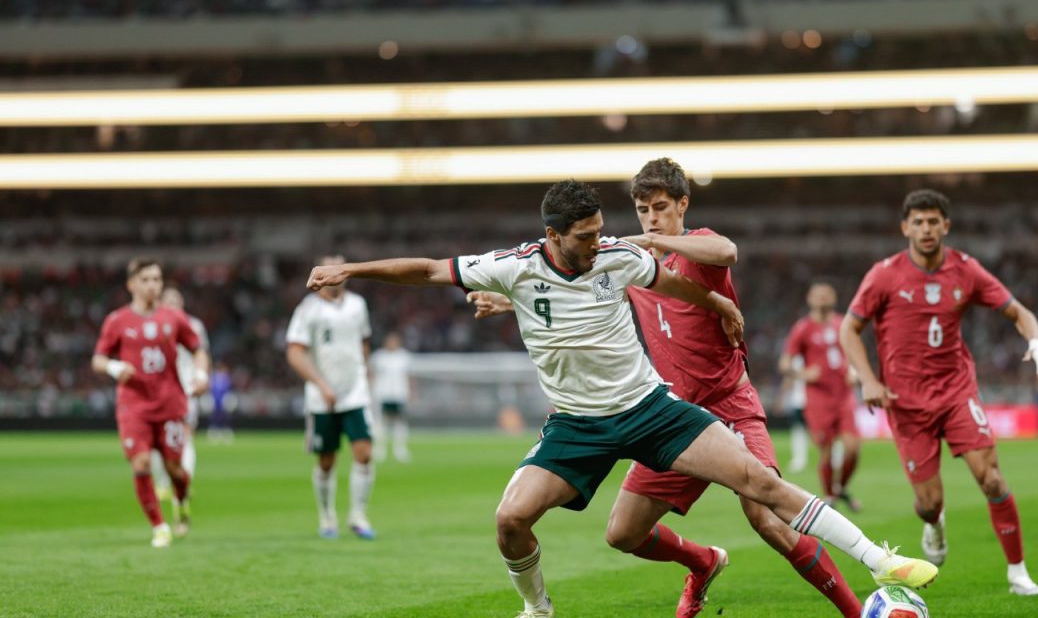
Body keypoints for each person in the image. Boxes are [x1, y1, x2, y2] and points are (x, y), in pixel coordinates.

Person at [306, 179, 937, 618]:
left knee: (756, 482)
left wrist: (718, 301)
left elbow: (672, 282)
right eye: (586, 235)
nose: (601, 241)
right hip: (576, 426)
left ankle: (879, 560)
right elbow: (425, 269)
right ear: (554, 236)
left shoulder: (615, 257)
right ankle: (537, 606)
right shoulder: (514, 266)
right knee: (509, 519)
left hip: (650, 409)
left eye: (603, 230)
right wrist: (350, 270)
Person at [474, 159, 865, 617]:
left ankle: (858, 611)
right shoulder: (630, 269)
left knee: (767, 517)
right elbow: (574, 296)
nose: (651, 218)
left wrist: (658, 241)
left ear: (683, 204)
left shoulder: (697, 249)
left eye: (661, 207)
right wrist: (508, 300)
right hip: (670, 420)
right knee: (623, 534)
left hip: (729, 407)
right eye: (643, 211)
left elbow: (727, 251)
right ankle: (702, 562)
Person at [840, 189, 1038, 596]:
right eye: (917, 222)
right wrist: (867, 377)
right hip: (905, 403)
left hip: (957, 392)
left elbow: (1018, 312)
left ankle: (1018, 572)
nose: (926, 229)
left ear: (946, 226)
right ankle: (935, 522)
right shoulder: (884, 275)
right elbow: (848, 328)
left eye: (933, 221)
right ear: (905, 227)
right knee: (928, 502)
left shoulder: (967, 269)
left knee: (990, 478)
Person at [92, 258, 209, 547]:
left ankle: (182, 500)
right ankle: (159, 526)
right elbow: (98, 359)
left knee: (175, 469)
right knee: (141, 464)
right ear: (131, 284)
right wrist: (114, 368)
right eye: (146, 280)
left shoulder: (174, 318)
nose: (152, 285)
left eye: (157, 279)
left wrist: (202, 373)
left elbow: (197, 349)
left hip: (170, 403)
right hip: (134, 405)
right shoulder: (117, 320)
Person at [286, 254, 377, 540]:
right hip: (321, 396)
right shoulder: (307, 309)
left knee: (364, 453)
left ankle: (358, 515)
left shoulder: (357, 305)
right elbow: (295, 352)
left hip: (355, 393)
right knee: (326, 460)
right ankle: (327, 516)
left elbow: (363, 343)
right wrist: (320, 383)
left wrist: (364, 374)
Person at [781, 281, 863, 512]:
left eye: (827, 294)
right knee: (826, 450)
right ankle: (831, 495)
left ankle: (839, 489)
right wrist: (803, 373)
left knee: (852, 448)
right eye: (818, 295)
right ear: (810, 299)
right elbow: (785, 363)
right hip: (818, 398)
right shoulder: (803, 328)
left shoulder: (842, 325)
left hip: (843, 394)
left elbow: (855, 353)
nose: (823, 298)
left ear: (834, 298)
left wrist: (855, 372)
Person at [151, 286, 210, 519]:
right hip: (157, 391)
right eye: (168, 300)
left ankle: (182, 484)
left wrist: (201, 378)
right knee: (158, 440)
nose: (173, 304)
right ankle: (164, 483)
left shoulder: (193, 326)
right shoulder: (153, 324)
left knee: (185, 437)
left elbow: (202, 354)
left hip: (185, 389)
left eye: (177, 300)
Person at [370, 332, 414, 463]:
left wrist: (411, 392)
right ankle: (379, 449)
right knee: (380, 422)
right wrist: (370, 391)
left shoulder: (404, 357)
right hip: (382, 393)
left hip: (399, 394)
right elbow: (371, 374)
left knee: (400, 422)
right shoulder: (379, 357)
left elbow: (410, 376)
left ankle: (400, 449)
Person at [781, 355, 810, 474]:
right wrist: (782, 397)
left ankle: (833, 459)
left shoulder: (816, 355)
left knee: (824, 430)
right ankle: (799, 460)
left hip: (816, 400)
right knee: (798, 430)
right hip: (799, 400)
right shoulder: (797, 358)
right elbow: (788, 378)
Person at [206, 362, 235, 444]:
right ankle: (214, 430)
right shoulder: (213, 377)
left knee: (225, 416)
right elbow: (210, 388)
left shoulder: (226, 377)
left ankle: (226, 430)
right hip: (215, 400)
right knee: (214, 416)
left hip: (223, 400)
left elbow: (229, 389)